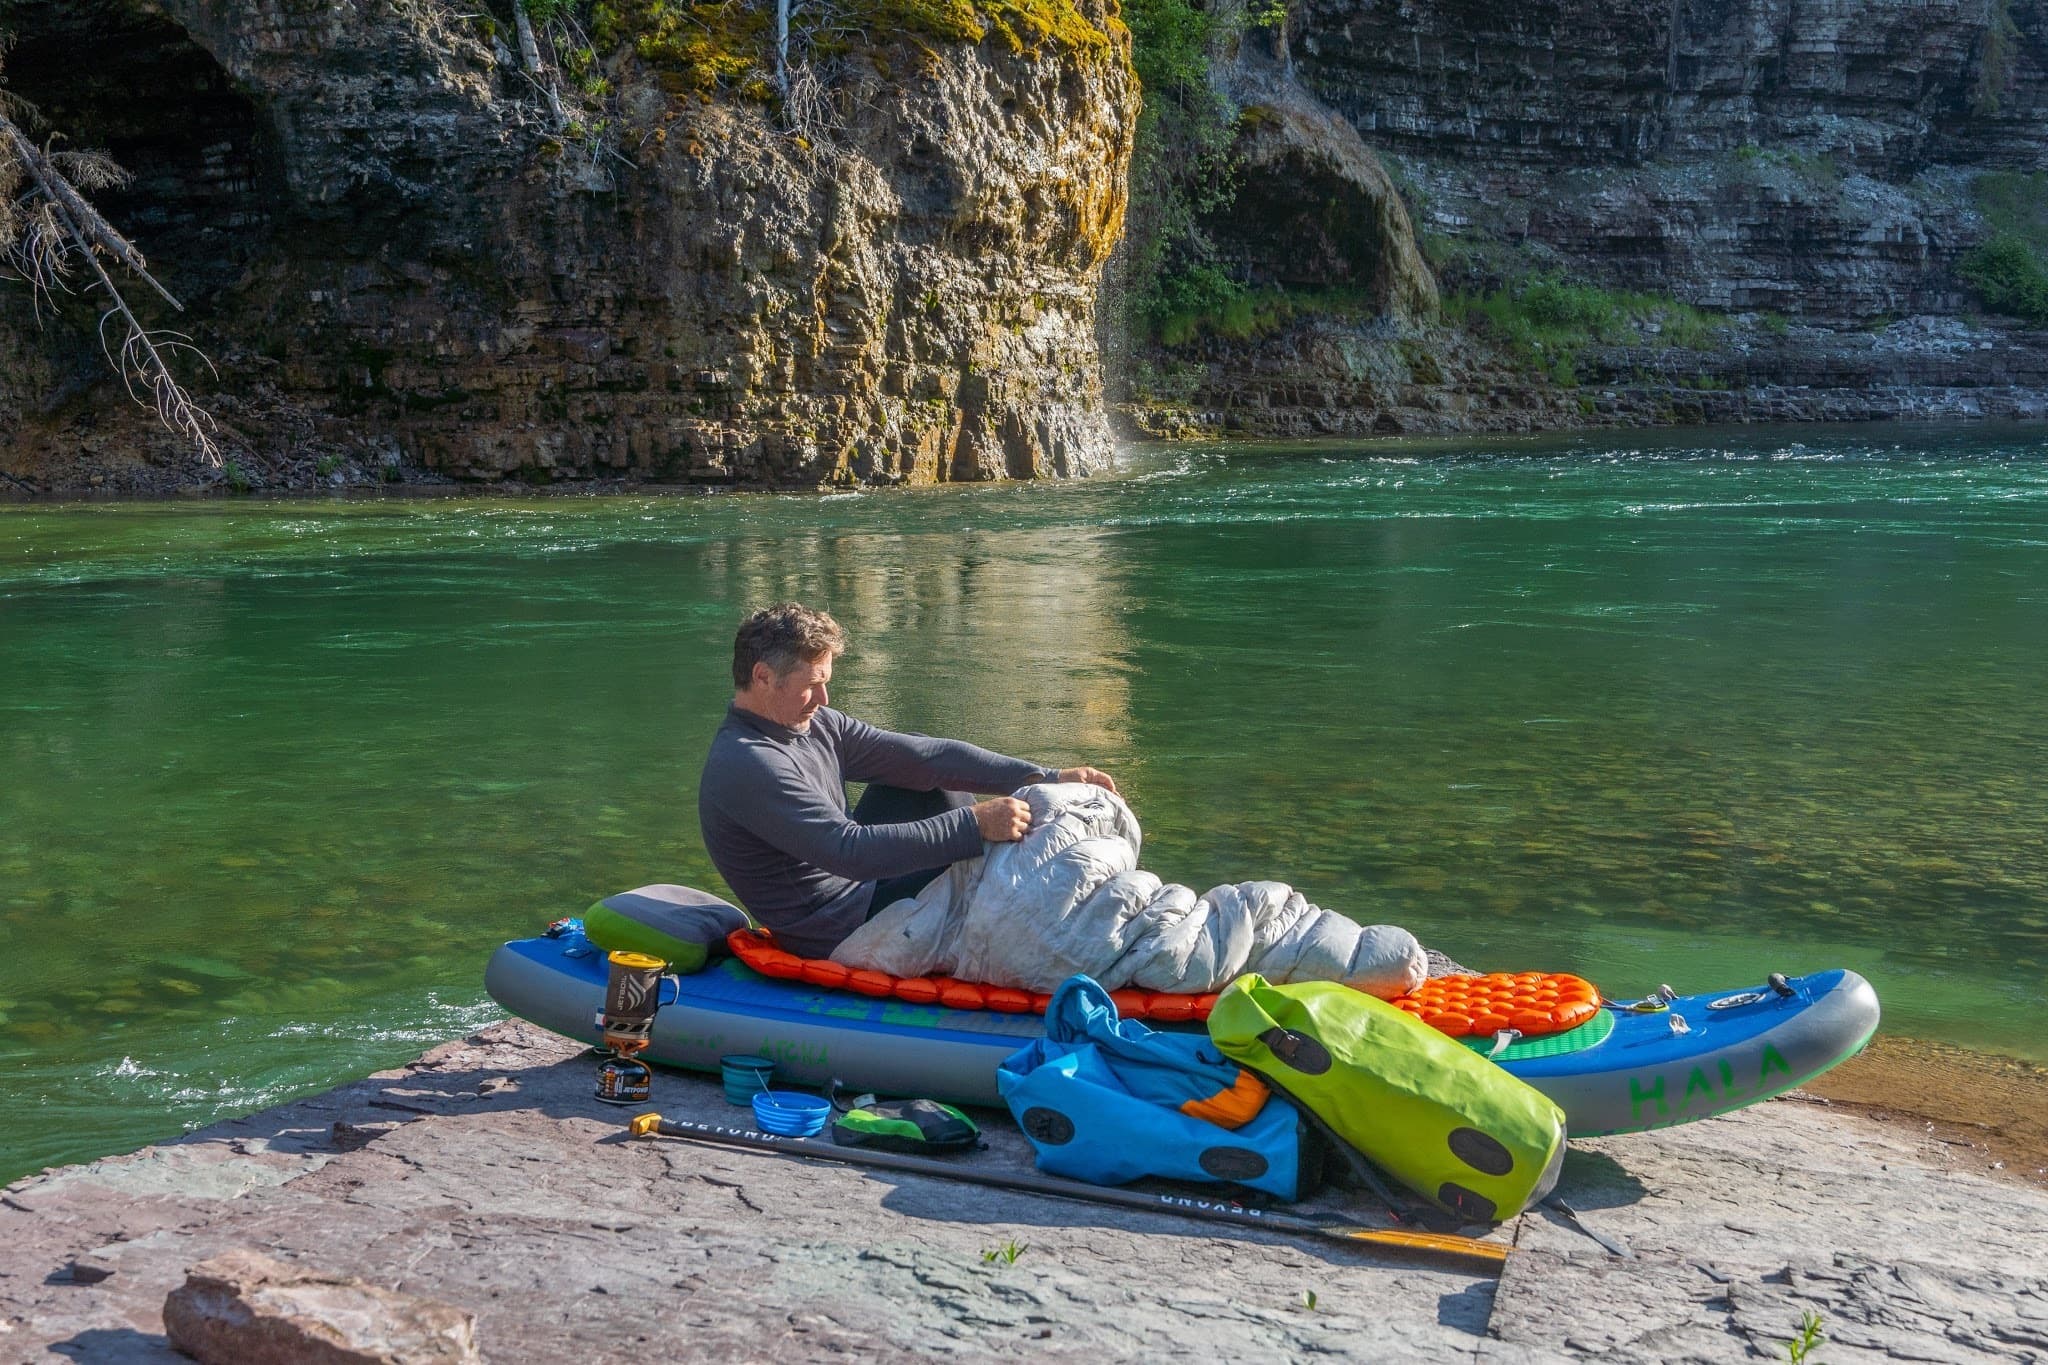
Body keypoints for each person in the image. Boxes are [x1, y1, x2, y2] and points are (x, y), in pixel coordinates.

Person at [698, 603, 1118, 959]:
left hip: (859, 887)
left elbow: (925, 758)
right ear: (763, 676)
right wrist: (974, 825)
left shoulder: (815, 723)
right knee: (978, 841)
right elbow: (849, 852)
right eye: (813, 685)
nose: (825, 700)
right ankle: (1024, 905)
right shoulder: (747, 763)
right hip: (835, 927)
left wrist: (1049, 776)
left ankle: (1002, 889)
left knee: (928, 776)